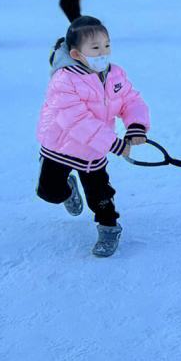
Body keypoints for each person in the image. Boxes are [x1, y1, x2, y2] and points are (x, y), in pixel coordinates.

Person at [36, 16, 151, 258]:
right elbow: (75, 121)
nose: (104, 52)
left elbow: (131, 100)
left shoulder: (114, 74)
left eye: (107, 45)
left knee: (100, 195)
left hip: (92, 152)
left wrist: (136, 126)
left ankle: (109, 226)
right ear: (77, 54)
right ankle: (67, 189)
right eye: (96, 48)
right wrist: (113, 143)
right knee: (49, 192)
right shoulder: (63, 80)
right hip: (60, 145)